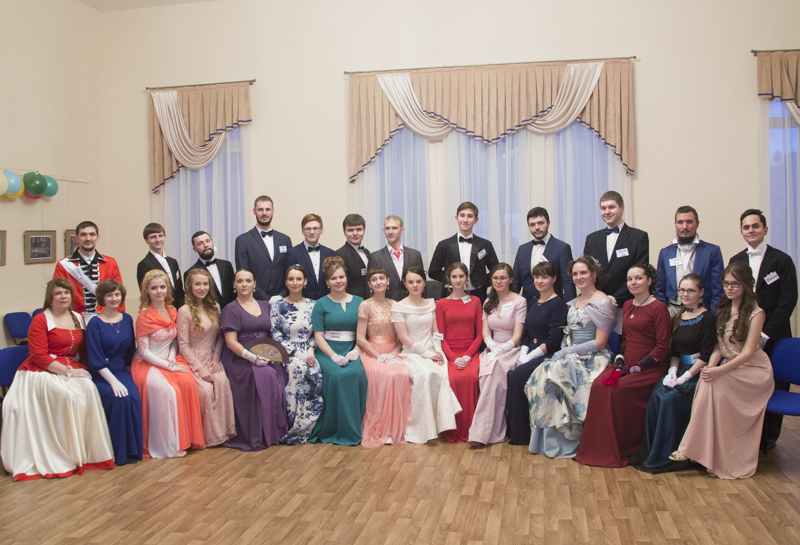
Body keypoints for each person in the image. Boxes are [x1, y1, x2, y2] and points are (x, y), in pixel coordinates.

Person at [1, 279, 114, 481]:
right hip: (41, 371)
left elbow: (84, 350)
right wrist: (67, 372)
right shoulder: (40, 320)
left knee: (89, 389)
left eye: (66, 292)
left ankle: (86, 454)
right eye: (58, 293)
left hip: (71, 366)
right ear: (50, 297)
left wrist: (96, 370)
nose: (63, 297)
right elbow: (38, 355)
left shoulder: (78, 317)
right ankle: (63, 455)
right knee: (67, 395)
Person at [673, 262, 774, 479]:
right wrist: (711, 366)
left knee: (715, 383)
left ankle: (692, 449)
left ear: (746, 285)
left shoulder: (756, 313)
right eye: (726, 284)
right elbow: (718, 346)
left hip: (753, 370)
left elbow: (747, 352)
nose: (729, 288)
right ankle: (704, 454)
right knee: (706, 379)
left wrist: (719, 371)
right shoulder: (723, 310)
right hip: (730, 366)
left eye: (735, 284)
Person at [575, 264, 671, 467]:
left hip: (649, 366)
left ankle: (623, 446)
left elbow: (662, 347)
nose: (633, 283)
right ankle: (598, 448)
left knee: (618, 391)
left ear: (649, 281)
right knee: (599, 386)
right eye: (629, 279)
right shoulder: (627, 305)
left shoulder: (659, 308)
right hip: (627, 362)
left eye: (638, 278)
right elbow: (625, 338)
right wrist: (620, 359)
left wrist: (639, 367)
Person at [524, 257, 616, 458]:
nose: (579, 277)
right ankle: (549, 440)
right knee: (541, 374)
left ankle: (570, 438)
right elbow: (568, 333)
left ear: (593, 274)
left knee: (553, 373)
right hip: (572, 354)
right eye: (575, 274)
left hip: (593, 357)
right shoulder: (573, 302)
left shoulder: (603, 302)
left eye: (583, 272)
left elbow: (600, 343)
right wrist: (566, 348)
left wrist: (568, 352)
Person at [631, 274, 716, 472]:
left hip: (697, 373)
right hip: (679, 369)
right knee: (657, 396)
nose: (685, 294)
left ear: (701, 293)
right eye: (682, 290)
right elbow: (675, 352)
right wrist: (673, 371)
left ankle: (671, 453)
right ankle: (653, 452)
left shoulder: (708, 319)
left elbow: (705, 356)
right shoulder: (678, 316)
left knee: (670, 400)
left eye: (691, 290)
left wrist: (685, 377)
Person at [729, 208, 798, 450]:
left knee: (775, 384)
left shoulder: (782, 260)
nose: (751, 230)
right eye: (746, 227)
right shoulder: (736, 260)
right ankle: (749, 436)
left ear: (765, 229)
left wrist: (764, 333)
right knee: (748, 385)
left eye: (755, 226)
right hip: (744, 333)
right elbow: (733, 297)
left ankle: (769, 439)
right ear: (741, 232)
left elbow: (788, 300)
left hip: (775, 335)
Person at [131, 270, 205, 458]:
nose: (159, 291)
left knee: (188, 382)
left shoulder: (172, 310)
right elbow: (143, 351)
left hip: (170, 358)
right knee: (169, 392)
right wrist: (166, 366)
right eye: (154, 288)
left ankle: (186, 439)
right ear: (147, 291)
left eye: (162, 287)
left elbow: (174, 341)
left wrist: (172, 358)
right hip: (149, 364)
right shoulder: (143, 316)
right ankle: (166, 444)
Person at [220, 268, 289, 451]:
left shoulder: (265, 305)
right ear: (234, 285)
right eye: (240, 281)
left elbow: (272, 333)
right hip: (240, 357)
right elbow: (230, 342)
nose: (244, 284)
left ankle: (274, 432)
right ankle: (259, 433)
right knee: (266, 375)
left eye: (248, 280)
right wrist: (252, 357)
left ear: (254, 283)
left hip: (265, 352)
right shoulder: (230, 309)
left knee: (280, 372)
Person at [392, 266, 462, 443]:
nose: (415, 285)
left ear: (424, 283)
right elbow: (404, 338)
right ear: (405, 284)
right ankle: (422, 428)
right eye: (411, 282)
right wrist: (426, 353)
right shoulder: (398, 307)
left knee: (442, 372)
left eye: (418, 281)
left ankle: (440, 425)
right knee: (424, 374)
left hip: (432, 349)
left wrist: (438, 351)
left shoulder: (431, 303)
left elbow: (435, 331)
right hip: (412, 352)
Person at [308, 256, 369, 445]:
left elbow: (362, 334)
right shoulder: (320, 304)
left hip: (352, 349)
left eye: (341, 277)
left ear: (346, 278)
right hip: (328, 351)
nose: (338, 281)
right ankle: (334, 428)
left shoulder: (360, 302)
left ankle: (353, 429)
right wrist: (333, 356)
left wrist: (356, 351)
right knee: (338, 375)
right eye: (333, 278)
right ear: (327, 282)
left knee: (356, 373)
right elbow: (318, 337)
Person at [506, 261, 568, 445]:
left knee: (517, 377)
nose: (539, 281)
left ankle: (522, 435)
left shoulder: (557, 304)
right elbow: (527, 333)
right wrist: (522, 354)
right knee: (511, 374)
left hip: (548, 355)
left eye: (544, 277)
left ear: (554, 279)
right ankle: (513, 430)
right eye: (537, 277)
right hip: (531, 351)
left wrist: (530, 357)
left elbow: (554, 339)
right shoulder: (533, 301)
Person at [85, 279, 144, 466]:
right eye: (109, 295)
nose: (114, 298)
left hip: (122, 371)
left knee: (134, 398)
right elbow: (95, 357)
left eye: (117, 294)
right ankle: (118, 452)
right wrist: (113, 381)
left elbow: (130, 352)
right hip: (101, 373)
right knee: (118, 399)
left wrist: (130, 375)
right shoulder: (94, 323)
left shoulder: (127, 319)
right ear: (102, 298)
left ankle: (133, 450)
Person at [468, 264, 527, 444]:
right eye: (495, 278)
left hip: (511, 349)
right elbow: (485, 331)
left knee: (494, 373)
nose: (499, 281)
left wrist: (503, 348)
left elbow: (518, 334)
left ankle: (483, 432)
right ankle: (488, 428)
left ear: (510, 279)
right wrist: (492, 346)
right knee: (483, 374)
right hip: (491, 348)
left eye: (503, 278)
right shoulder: (488, 303)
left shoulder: (519, 301)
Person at [177, 269, 236, 447]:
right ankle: (206, 436)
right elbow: (183, 344)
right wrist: (199, 367)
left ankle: (223, 433)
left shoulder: (215, 307)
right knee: (205, 391)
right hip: (192, 359)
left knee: (222, 382)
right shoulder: (184, 311)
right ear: (189, 286)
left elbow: (219, 338)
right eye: (197, 284)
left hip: (212, 357)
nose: (202, 287)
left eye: (205, 284)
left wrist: (215, 359)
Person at [356, 266, 412, 447]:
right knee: (387, 374)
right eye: (374, 279)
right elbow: (360, 338)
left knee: (403, 374)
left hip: (393, 351)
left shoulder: (395, 304)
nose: (378, 282)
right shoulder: (365, 305)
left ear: (388, 281)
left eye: (382, 278)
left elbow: (402, 337)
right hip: (372, 352)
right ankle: (381, 428)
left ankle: (398, 428)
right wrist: (379, 356)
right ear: (369, 284)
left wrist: (394, 353)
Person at [270, 265, 323, 445]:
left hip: (309, 351)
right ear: (286, 282)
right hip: (286, 352)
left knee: (314, 371)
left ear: (305, 281)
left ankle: (308, 426)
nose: (295, 282)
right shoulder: (278, 306)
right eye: (291, 279)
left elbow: (317, 332)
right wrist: (296, 353)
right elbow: (276, 335)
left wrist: (310, 351)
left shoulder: (313, 304)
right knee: (297, 369)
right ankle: (292, 426)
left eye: (298, 279)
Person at [583, 191, 649, 327]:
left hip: (629, 304)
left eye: (611, 207)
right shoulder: (592, 239)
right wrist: (600, 299)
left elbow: (640, 273)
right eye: (603, 208)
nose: (607, 212)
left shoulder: (638, 237)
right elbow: (588, 273)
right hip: (597, 306)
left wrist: (614, 299)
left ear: (622, 208)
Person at [436, 263, 483, 442]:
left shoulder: (475, 301)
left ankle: (471, 429)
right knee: (453, 379)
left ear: (466, 278)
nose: (458, 280)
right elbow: (440, 337)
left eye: (461, 276)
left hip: (470, 352)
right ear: (449, 279)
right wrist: (453, 358)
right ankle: (453, 429)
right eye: (454, 276)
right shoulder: (441, 304)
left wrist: (468, 355)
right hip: (450, 354)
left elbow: (480, 334)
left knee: (471, 378)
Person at [654, 206, 724, 315]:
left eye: (689, 222)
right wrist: (660, 315)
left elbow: (718, 289)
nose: (685, 226)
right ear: (675, 224)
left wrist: (713, 315)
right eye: (680, 222)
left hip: (702, 310)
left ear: (697, 224)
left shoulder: (712, 251)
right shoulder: (665, 253)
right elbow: (660, 289)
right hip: (672, 310)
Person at [429, 202, 499, 303]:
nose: (465, 220)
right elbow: (433, 271)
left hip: (477, 293)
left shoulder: (485, 245)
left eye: (470, 216)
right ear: (456, 218)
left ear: (476, 220)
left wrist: (480, 281)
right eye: (462, 215)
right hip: (451, 294)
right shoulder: (444, 245)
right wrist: (452, 279)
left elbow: (496, 270)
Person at [53, 220, 125, 317]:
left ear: (97, 238)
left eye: (92, 234)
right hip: (76, 318)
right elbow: (57, 296)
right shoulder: (63, 265)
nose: (88, 238)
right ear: (76, 238)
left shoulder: (110, 263)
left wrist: (120, 317)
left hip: (105, 318)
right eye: (83, 235)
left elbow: (118, 294)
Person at [512, 207, 576, 305]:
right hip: (527, 307)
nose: (537, 227)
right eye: (532, 224)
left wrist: (571, 308)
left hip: (553, 306)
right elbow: (515, 282)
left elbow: (568, 282)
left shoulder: (562, 248)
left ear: (548, 224)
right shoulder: (522, 249)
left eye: (540, 223)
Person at [234, 195, 293, 302]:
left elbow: (290, 272)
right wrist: (267, 298)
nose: (264, 213)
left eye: (267, 209)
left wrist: (281, 296)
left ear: (273, 211)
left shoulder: (285, 240)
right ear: (254, 211)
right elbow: (243, 274)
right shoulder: (243, 240)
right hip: (254, 300)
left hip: (282, 300)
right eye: (260, 209)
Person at [367, 216, 425, 301]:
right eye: (387, 228)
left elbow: (422, 283)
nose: (390, 232)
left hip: (412, 303)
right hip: (386, 304)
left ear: (402, 230)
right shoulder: (375, 257)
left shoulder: (415, 255)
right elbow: (371, 286)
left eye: (394, 228)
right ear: (384, 231)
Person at [285, 214, 336, 301]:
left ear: (321, 230)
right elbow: (289, 282)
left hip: (326, 302)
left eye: (315, 228)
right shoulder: (292, 253)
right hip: (301, 302)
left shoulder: (330, 253)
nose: (312, 232)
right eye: (308, 229)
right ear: (302, 231)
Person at [136, 222, 185, 309]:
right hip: (159, 309)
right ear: (146, 240)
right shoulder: (144, 264)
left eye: (160, 236)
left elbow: (179, 290)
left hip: (177, 308)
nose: (158, 239)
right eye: (153, 237)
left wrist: (180, 308)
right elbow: (146, 293)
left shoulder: (173, 262)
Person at [185, 230, 236, 308]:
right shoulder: (190, 272)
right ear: (195, 249)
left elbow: (233, 291)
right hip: (207, 312)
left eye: (207, 241)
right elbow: (192, 299)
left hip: (230, 311)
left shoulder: (226, 265)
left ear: (212, 243)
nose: (205, 245)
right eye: (200, 243)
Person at [335, 213, 372, 300]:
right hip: (351, 302)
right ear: (344, 232)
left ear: (364, 230)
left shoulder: (367, 252)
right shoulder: (339, 254)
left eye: (359, 229)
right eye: (350, 230)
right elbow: (342, 284)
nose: (355, 233)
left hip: (369, 301)